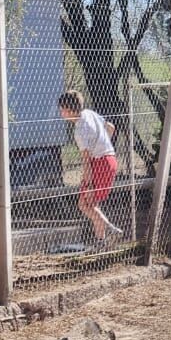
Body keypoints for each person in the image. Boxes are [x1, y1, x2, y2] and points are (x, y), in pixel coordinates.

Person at [59, 90, 122, 248]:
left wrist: (88, 184)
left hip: (99, 163)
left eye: (62, 109)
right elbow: (111, 127)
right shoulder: (89, 113)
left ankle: (111, 229)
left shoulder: (79, 131)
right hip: (110, 159)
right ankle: (100, 241)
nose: (61, 113)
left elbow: (86, 160)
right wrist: (102, 144)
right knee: (91, 204)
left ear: (69, 110)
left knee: (85, 204)